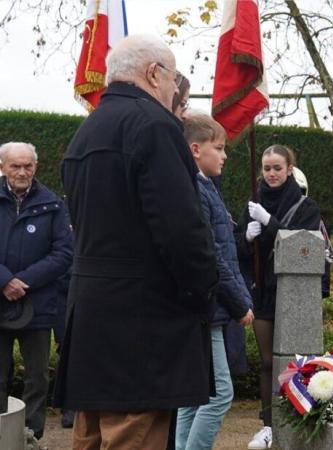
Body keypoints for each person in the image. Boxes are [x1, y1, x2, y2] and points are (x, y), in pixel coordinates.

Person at [55, 34, 219, 450]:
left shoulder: (87, 131)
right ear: (153, 73)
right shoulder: (155, 126)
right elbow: (181, 231)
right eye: (175, 77)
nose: (175, 88)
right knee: (135, 435)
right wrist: (202, 289)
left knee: (90, 436)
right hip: (143, 322)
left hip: (92, 313)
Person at [175, 113, 254, 450]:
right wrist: (239, 303)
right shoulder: (195, 187)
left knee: (194, 395)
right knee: (220, 393)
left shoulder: (205, 186)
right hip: (209, 307)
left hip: (210, 308)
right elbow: (212, 255)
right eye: (218, 148)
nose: (224, 155)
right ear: (195, 149)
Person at [237, 145, 321, 450]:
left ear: (289, 169)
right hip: (263, 293)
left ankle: (300, 418)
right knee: (268, 361)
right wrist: (246, 238)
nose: (271, 174)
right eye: (266, 168)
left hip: (294, 294)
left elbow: (300, 247)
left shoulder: (305, 206)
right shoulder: (252, 202)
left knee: (298, 360)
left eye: (277, 168)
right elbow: (237, 251)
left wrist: (270, 223)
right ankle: (269, 424)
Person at [0, 141, 73, 440]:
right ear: (2, 167)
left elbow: (64, 252)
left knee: (37, 378)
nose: (22, 171)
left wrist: (24, 281)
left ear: (36, 167)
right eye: (15, 165)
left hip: (38, 305)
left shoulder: (53, 204)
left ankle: (30, 437)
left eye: (27, 165)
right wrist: (4, 280)